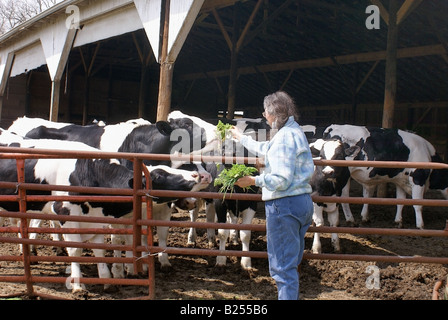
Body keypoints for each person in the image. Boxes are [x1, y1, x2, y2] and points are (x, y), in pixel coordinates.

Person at [230, 91, 314, 300]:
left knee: (283, 268)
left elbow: (281, 179)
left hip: (284, 205)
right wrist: (241, 138)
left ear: (273, 115)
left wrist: (253, 181)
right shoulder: (294, 131)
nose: (264, 116)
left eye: (266, 113)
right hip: (301, 203)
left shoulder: (284, 137)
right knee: (291, 263)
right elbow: (268, 149)